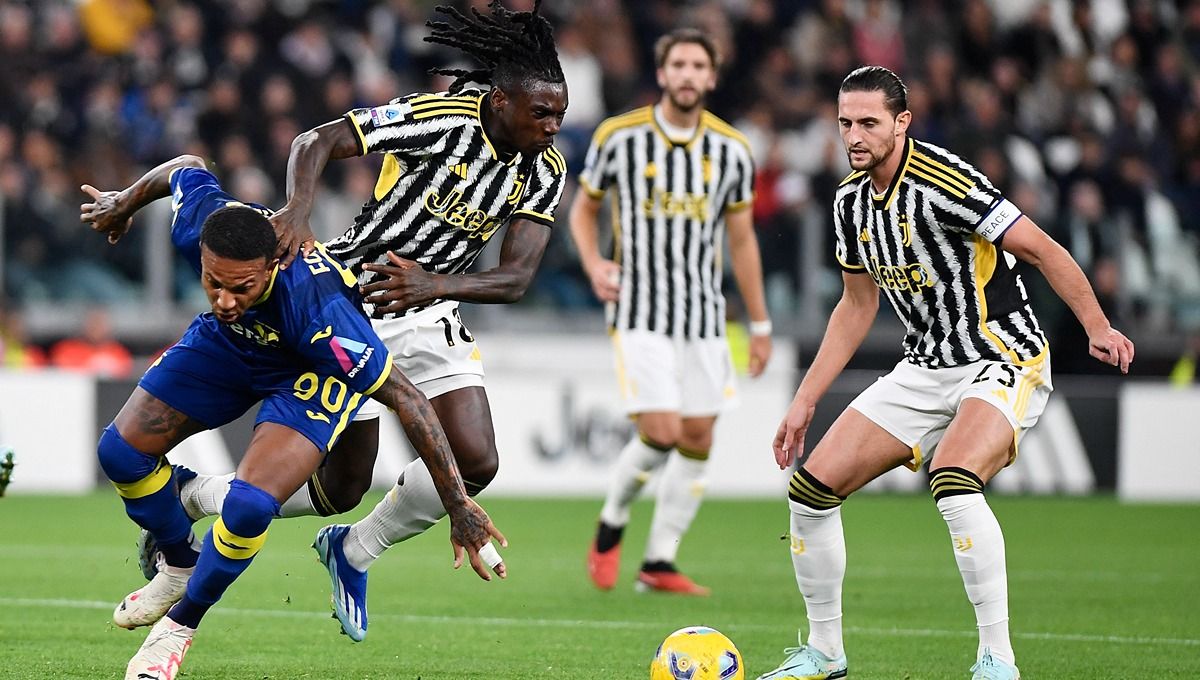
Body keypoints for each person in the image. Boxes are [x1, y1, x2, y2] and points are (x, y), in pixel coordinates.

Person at [171, 0, 568, 642]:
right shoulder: (440, 118)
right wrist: (299, 208)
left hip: (429, 307)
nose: (553, 127)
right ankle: (201, 496)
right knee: (344, 481)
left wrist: (434, 284)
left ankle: (353, 552)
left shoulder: (545, 170)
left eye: (560, 114)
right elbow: (317, 139)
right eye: (541, 112)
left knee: (477, 460)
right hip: (348, 298)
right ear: (499, 102)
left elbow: (516, 278)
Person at [756, 66, 1134, 680]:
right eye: (846, 122)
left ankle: (997, 659)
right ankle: (824, 654)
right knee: (811, 492)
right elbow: (856, 306)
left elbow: (1041, 248)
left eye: (869, 123)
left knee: (953, 477)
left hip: (999, 356)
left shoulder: (945, 180)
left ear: (902, 122)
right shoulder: (850, 202)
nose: (854, 135)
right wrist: (804, 401)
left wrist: (1098, 326)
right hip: (925, 365)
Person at [80, 154, 504, 679]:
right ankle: (179, 561)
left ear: (275, 266)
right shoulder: (205, 223)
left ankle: (179, 628)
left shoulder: (324, 311)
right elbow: (184, 167)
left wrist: (457, 502)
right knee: (119, 453)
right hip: (229, 348)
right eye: (214, 282)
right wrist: (124, 203)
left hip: (307, 371)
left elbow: (409, 398)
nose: (226, 298)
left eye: (242, 287)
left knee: (252, 507)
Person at [571, 28, 772, 596]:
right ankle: (611, 524)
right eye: (677, 64)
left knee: (699, 437)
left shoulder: (732, 150)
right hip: (638, 309)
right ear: (662, 74)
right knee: (660, 430)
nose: (687, 74)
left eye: (697, 66)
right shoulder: (620, 137)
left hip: (705, 316)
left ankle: (659, 561)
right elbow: (583, 212)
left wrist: (759, 324)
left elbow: (741, 241)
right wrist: (592, 263)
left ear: (712, 77)